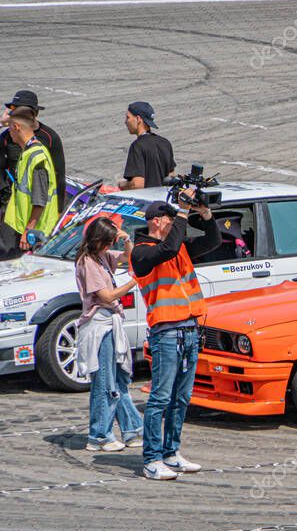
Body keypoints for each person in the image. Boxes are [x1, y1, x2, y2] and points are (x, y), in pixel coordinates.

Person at [130, 193, 219, 480]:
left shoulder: (177, 247)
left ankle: (171, 452)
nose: (177, 224)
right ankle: (152, 459)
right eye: (171, 220)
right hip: (166, 333)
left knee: (182, 398)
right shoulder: (142, 252)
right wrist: (182, 210)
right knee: (160, 399)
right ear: (157, 222)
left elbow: (213, 241)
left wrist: (204, 213)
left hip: (190, 330)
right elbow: (166, 249)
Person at [74, 217, 144, 452]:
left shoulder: (102, 257)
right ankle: (99, 435)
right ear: (97, 240)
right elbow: (106, 296)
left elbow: (127, 258)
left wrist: (126, 240)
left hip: (110, 323)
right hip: (99, 325)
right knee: (105, 382)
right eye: (107, 242)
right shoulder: (88, 262)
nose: (108, 246)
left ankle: (131, 429)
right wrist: (133, 282)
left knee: (120, 380)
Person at [2, 106, 60, 252]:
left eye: (9, 128)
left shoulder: (36, 156)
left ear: (16, 127)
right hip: (24, 229)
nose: (8, 132)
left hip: (34, 235)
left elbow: (39, 199)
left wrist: (29, 230)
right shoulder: (29, 151)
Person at [0, 90, 65, 211]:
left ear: (33, 113)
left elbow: (59, 175)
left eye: (16, 110)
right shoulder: (7, 136)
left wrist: (59, 210)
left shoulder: (50, 137)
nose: (12, 113)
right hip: (10, 202)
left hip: (39, 205)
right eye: (12, 110)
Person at [119, 101, 175, 190]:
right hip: (163, 200)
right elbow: (171, 176)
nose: (125, 122)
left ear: (138, 119)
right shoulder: (165, 143)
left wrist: (121, 185)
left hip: (147, 201)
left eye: (128, 117)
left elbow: (137, 184)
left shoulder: (138, 146)